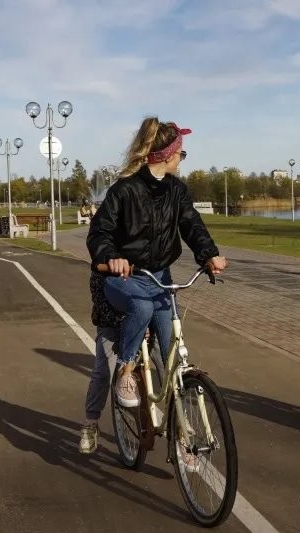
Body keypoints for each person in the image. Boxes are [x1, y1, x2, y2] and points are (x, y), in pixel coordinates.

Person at [86, 117, 227, 412]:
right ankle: (125, 371)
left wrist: (209, 254)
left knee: (171, 353)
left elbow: (192, 225)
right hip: (124, 278)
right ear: (167, 155)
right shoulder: (124, 190)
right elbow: (100, 232)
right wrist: (112, 257)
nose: (182, 159)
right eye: (181, 154)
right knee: (143, 308)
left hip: (160, 276)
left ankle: (184, 435)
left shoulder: (177, 190)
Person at [78, 271, 123, 454]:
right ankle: (91, 421)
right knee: (103, 371)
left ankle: (180, 424)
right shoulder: (104, 254)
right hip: (110, 322)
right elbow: (99, 297)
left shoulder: (144, 250)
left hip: (143, 321)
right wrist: (121, 321)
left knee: (166, 362)